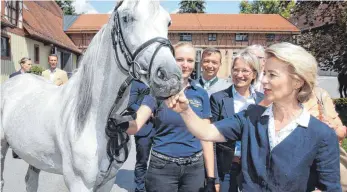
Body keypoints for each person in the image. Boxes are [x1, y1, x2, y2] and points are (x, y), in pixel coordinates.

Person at [165, 42, 341, 191]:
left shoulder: (322, 135)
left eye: (272, 75)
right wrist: (185, 110)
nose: (263, 80)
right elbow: (206, 132)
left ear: (297, 81)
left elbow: (330, 187)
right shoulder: (251, 116)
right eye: (265, 73)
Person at [125, 42, 216, 192]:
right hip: (162, 169)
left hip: (194, 171)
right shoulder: (157, 92)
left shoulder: (201, 94)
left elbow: (206, 137)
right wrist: (119, 123)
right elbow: (136, 124)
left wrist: (211, 178)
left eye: (190, 60)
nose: (185, 65)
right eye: (180, 59)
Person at [210, 49, 264, 192]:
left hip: (253, 169)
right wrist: (213, 176)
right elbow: (212, 140)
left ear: (254, 74)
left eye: (245, 71)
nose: (239, 75)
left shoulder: (263, 101)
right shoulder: (218, 99)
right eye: (235, 70)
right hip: (227, 168)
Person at [195, 47, 231, 191]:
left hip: (218, 143)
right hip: (195, 143)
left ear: (220, 64)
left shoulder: (227, 88)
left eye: (214, 62)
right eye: (207, 61)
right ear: (201, 62)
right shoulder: (192, 86)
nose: (210, 65)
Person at [303, 87, 347, 191]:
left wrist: (331, 128)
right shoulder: (271, 95)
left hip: (324, 165)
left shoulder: (319, 94)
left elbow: (341, 132)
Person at [127, 80, 155, 192]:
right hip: (143, 128)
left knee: (158, 162)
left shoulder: (160, 79)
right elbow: (131, 104)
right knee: (142, 161)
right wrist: (146, 112)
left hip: (161, 127)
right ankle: (140, 188)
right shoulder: (137, 83)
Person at [9, 57, 32, 159]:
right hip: (17, 106)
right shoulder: (14, 76)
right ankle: (15, 150)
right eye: (28, 64)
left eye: (30, 64)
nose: (30, 66)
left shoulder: (32, 77)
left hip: (27, 106)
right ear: (22, 65)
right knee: (16, 129)